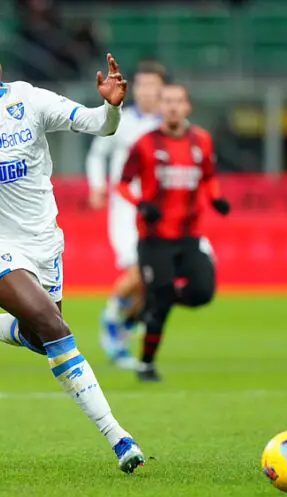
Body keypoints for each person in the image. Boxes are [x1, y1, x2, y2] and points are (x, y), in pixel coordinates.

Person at [0, 32, 145, 473]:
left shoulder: (27, 99)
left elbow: (97, 125)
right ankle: (118, 436)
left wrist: (110, 106)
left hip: (43, 242)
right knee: (53, 326)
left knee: (40, 334)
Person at [116, 83, 230, 382]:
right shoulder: (144, 144)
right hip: (154, 239)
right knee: (161, 299)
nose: (173, 107)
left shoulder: (202, 140)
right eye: (167, 101)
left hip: (191, 235)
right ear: (160, 107)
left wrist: (216, 197)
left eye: (178, 101)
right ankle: (146, 364)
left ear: (188, 106)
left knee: (202, 292)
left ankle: (152, 303)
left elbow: (208, 176)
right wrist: (140, 204)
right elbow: (122, 184)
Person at [85, 60, 167, 369]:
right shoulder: (121, 119)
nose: (147, 91)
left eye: (153, 85)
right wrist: (96, 186)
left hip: (159, 212)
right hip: (125, 209)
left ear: (162, 89)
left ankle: (123, 329)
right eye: (143, 85)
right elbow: (98, 153)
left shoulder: (167, 125)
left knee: (153, 279)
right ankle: (111, 319)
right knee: (139, 268)